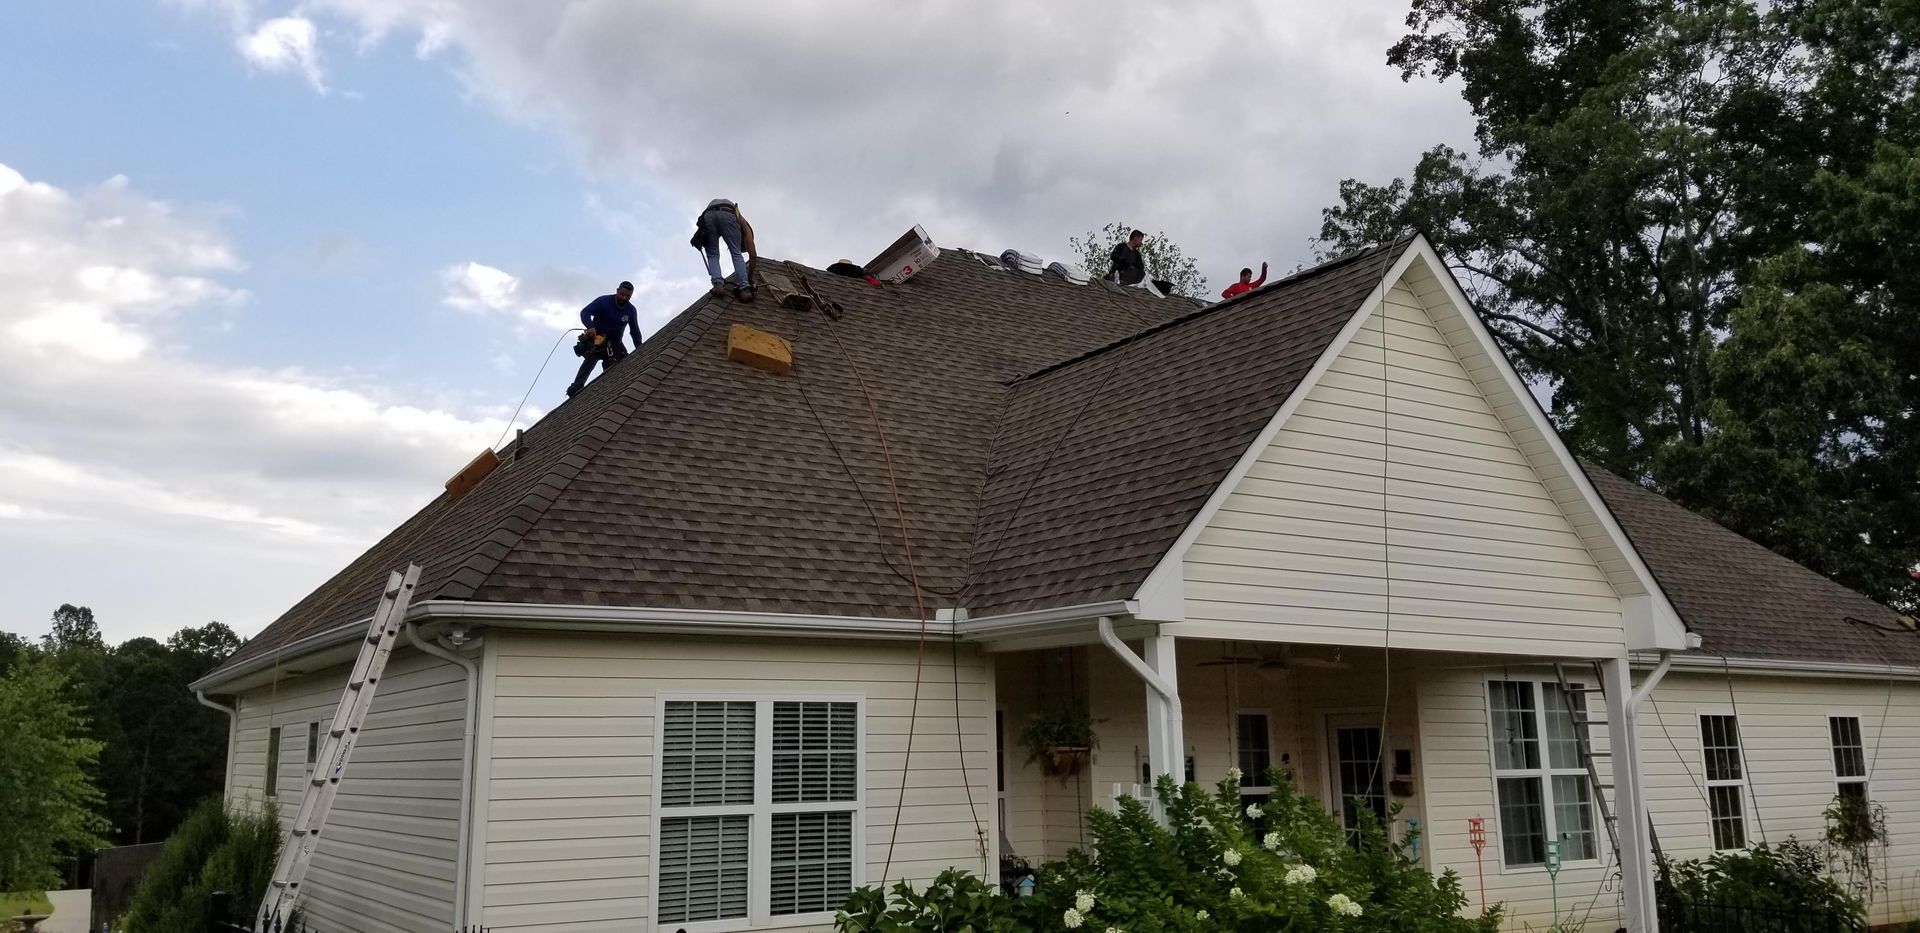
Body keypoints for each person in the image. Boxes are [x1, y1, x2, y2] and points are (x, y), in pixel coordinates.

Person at [566, 281, 643, 398]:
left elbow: (635, 332)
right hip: (598, 339)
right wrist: (590, 327)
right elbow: (585, 312)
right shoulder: (604, 301)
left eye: (628, 296)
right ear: (617, 291)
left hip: (615, 344)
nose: (624, 298)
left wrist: (640, 349)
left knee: (617, 368)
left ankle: (610, 392)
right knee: (590, 360)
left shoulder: (631, 310)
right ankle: (577, 386)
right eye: (622, 294)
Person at [691, 198, 757, 301]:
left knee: (712, 254)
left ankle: (718, 286)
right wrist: (749, 279)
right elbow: (753, 256)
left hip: (708, 215)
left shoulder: (739, 216)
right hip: (727, 212)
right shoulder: (746, 227)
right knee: (736, 253)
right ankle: (744, 290)